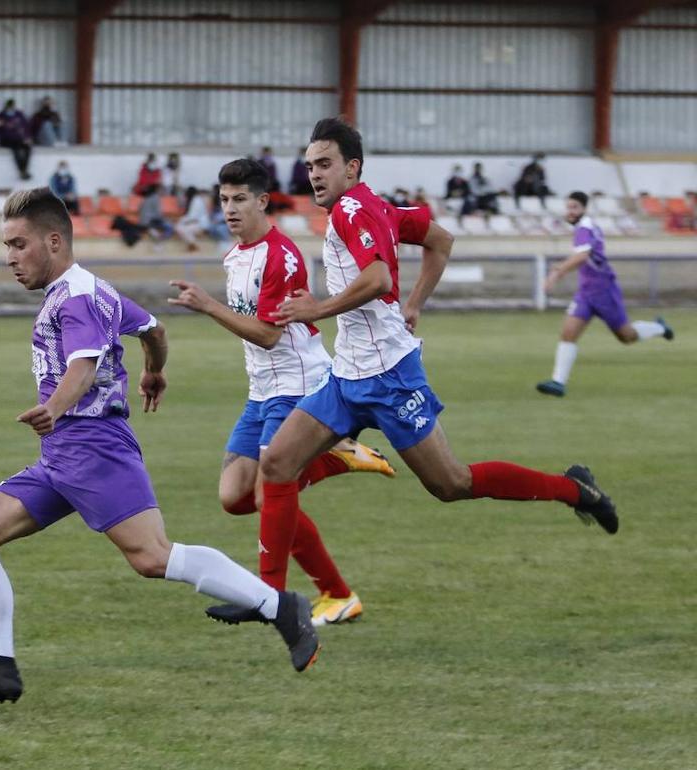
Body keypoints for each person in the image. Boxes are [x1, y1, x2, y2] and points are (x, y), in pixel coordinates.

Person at [0, 188, 321, 707]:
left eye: (19, 245)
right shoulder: (95, 289)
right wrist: (154, 370)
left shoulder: (78, 297)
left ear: (53, 240)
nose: (10, 258)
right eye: (7, 246)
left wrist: (57, 407)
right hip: (62, 454)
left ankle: (280, 607)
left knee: (153, 557)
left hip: (93, 449)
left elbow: (83, 366)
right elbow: (153, 329)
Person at [251, 118, 618, 595]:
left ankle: (575, 489)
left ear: (352, 167)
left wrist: (319, 307)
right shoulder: (375, 207)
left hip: (389, 378)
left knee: (452, 484)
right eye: (310, 166)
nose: (314, 174)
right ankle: (270, 599)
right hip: (346, 375)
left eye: (325, 164)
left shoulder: (352, 210)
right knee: (277, 465)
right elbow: (441, 240)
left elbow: (379, 278)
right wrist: (415, 303)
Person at [168, 159, 396, 628]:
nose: (229, 209)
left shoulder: (281, 255)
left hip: (299, 384)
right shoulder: (233, 256)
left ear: (262, 201)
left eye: (239, 200)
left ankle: (279, 596)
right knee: (235, 497)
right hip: (261, 391)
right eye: (223, 200)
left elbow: (270, 336)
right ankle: (334, 460)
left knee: (268, 494)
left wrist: (208, 306)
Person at [536, 191, 673, 397]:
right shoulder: (585, 227)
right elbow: (582, 256)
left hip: (603, 291)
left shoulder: (585, 227)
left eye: (574, 207)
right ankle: (558, 383)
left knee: (626, 336)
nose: (570, 211)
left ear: (584, 209)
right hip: (586, 293)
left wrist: (557, 272)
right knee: (568, 333)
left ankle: (659, 328)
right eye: (568, 207)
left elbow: (582, 256)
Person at [0, 99, 32, 181]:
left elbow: (26, 126)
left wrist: (27, 137)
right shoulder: (1, 115)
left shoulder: (19, 114)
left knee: (28, 147)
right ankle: (22, 170)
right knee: (16, 149)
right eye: (9, 107)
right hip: (6, 139)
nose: (11, 109)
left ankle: (24, 169)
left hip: (19, 138)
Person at [173, 187, 212, 252]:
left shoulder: (197, 201)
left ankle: (193, 245)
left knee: (181, 228)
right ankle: (192, 244)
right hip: (195, 222)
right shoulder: (194, 200)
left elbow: (193, 217)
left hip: (200, 224)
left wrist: (180, 220)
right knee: (178, 227)